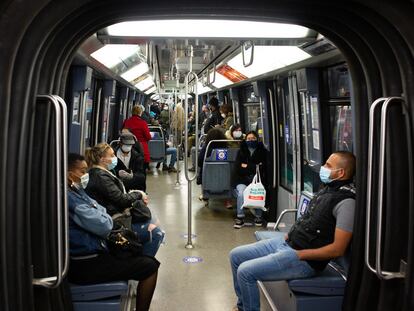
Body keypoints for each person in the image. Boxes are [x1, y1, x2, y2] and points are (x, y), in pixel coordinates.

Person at [229, 151, 356, 311]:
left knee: (245, 272)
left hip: (304, 260)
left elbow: (338, 249)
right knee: (235, 255)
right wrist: (290, 235)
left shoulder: (346, 202)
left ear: (341, 172)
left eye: (328, 166)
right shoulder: (328, 189)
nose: (323, 167)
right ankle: (243, 306)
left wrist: (301, 255)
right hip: (287, 242)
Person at [67, 153, 159, 311]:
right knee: (150, 266)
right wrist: (105, 218)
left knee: (135, 252)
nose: (85, 175)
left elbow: (99, 209)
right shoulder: (70, 198)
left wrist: (103, 217)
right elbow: (104, 224)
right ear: (70, 174)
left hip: (94, 251)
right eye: (82, 172)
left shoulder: (75, 190)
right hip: (86, 263)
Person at [84, 143, 164, 257]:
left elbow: (116, 195)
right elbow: (121, 200)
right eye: (111, 155)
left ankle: (139, 258)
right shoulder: (100, 176)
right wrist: (138, 194)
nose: (114, 158)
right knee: (156, 233)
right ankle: (142, 265)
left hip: (114, 213)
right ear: (102, 159)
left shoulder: (103, 173)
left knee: (153, 220)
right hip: (114, 220)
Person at [233, 131, 267, 228]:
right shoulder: (241, 151)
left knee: (258, 192)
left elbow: (262, 168)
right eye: (248, 139)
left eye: (253, 138)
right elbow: (238, 168)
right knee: (241, 193)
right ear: (245, 139)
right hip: (242, 179)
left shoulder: (262, 151)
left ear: (257, 139)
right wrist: (254, 167)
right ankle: (240, 217)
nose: (250, 140)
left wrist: (246, 166)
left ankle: (258, 216)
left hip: (256, 180)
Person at [123, 105, 152, 171]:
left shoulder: (127, 121)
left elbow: (123, 133)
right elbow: (148, 137)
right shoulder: (143, 123)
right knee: (141, 169)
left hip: (128, 147)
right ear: (140, 113)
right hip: (141, 148)